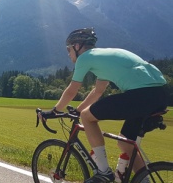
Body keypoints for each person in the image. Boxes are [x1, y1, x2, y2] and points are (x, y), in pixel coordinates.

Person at [39, 28, 167, 183]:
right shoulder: (102, 58)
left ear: (77, 46)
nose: (68, 54)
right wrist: (78, 110)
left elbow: (72, 90)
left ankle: (103, 172)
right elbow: (98, 91)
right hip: (159, 94)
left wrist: (54, 111)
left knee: (87, 117)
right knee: (125, 143)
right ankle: (143, 180)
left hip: (140, 94)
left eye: (68, 49)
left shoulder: (85, 58)